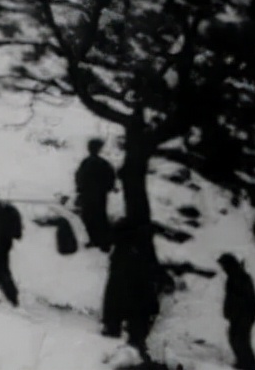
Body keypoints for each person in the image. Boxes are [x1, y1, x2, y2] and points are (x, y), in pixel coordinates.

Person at [101, 219, 162, 359]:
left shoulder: (121, 251)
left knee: (118, 302)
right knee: (137, 312)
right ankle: (133, 339)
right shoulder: (141, 246)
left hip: (128, 289)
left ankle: (117, 330)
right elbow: (151, 268)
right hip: (136, 292)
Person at [218, 253, 255, 370]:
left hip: (244, 313)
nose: (222, 268)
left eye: (223, 265)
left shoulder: (238, 277)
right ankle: (245, 362)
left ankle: (249, 365)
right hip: (240, 314)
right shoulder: (234, 275)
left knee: (240, 339)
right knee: (237, 338)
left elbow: (241, 298)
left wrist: (233, 312)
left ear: (228, 265)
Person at [75, 138, 117, 251]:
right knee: (96, 217)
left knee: (93, 217)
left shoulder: (90, 162)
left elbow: (79, 178)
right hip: (95, 195)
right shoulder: (101, 163)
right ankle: (100, 241)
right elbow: (111, 178)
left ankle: (102, 241)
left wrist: (80, 190)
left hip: (92, 195)